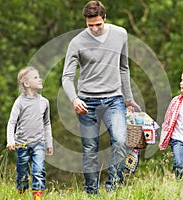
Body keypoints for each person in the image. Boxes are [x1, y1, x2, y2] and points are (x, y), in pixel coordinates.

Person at [62, 0, 140, 194]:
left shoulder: (120, 34)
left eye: (98, 24)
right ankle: (92, 192)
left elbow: (124, 67)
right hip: (86, 102)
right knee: (90, 149)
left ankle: (112, 188)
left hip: (114, 99)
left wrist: (128, 98)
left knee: (121, 141)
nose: (95, 29)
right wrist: (74, 99)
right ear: (85, 23)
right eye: (90, 26)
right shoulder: (77, 42)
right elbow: (66, 77)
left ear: (104, 18)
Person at [6, 66, 53, 200]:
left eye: (39, 76)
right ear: (26, 84)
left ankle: (37, 196)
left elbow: (47, 124)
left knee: (38, 170)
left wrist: (49, 143)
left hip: (39, 143)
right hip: (22, 144)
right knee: (23, 172)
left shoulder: (44, 102)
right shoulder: (19, 102)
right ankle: (21, 192)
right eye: (36, 77)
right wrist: (11, 141)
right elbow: (12, 122)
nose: (40, 79)